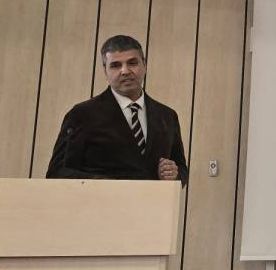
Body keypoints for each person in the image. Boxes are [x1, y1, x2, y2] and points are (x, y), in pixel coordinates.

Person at [46, 35, 188, 183]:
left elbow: (181, 168)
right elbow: (58, 172)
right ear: (105, 71)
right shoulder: (82, 114)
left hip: (153, 198)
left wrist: (175, 175)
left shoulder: (167, 116)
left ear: (144, 66)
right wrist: (108, 185)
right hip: (101, 198)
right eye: (115, 65)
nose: (125, 71)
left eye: (132, 63)